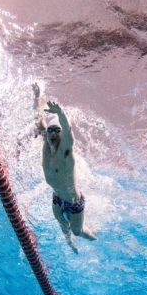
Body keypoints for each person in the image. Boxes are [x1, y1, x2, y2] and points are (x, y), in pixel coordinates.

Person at [33, 84, 96, 253]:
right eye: (50, 130)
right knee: (63, 226)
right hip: (57, 197)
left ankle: (92, 236)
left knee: (77, 231)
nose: (52, 133)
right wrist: (37, 96)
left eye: (56, 131)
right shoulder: (46, 144)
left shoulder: (66, 151)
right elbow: (38, 118)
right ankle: (70, 244)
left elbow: (68, 132)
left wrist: (60, 113)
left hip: (73, 202)